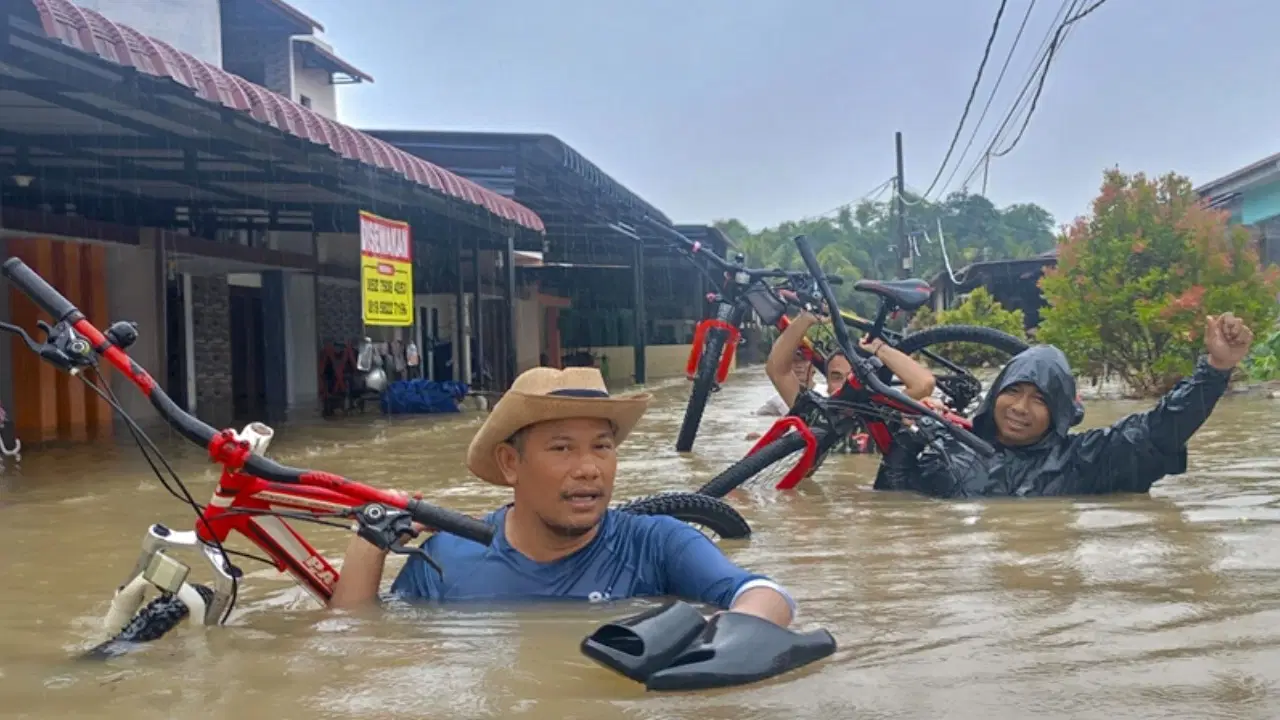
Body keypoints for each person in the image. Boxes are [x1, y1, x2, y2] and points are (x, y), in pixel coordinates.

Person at [330, 366, 796, 628]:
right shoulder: (446, 558)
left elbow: (763, 594)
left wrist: (719, 645)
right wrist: (369, 541)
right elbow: (361, 647)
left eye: (602, 446)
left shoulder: (656, 544)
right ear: (511, 464)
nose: (589, 467)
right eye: (561, 448)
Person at [874, 313, 1255, 498]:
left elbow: (1159, 430)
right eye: (1014, 392)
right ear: (995, 396)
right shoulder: (946, 445)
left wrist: (1216, 369)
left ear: (1059, 412)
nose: (1020, 408)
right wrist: (906, 445)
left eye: (1040, 399)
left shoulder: (1085, 461)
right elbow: (891, 514)